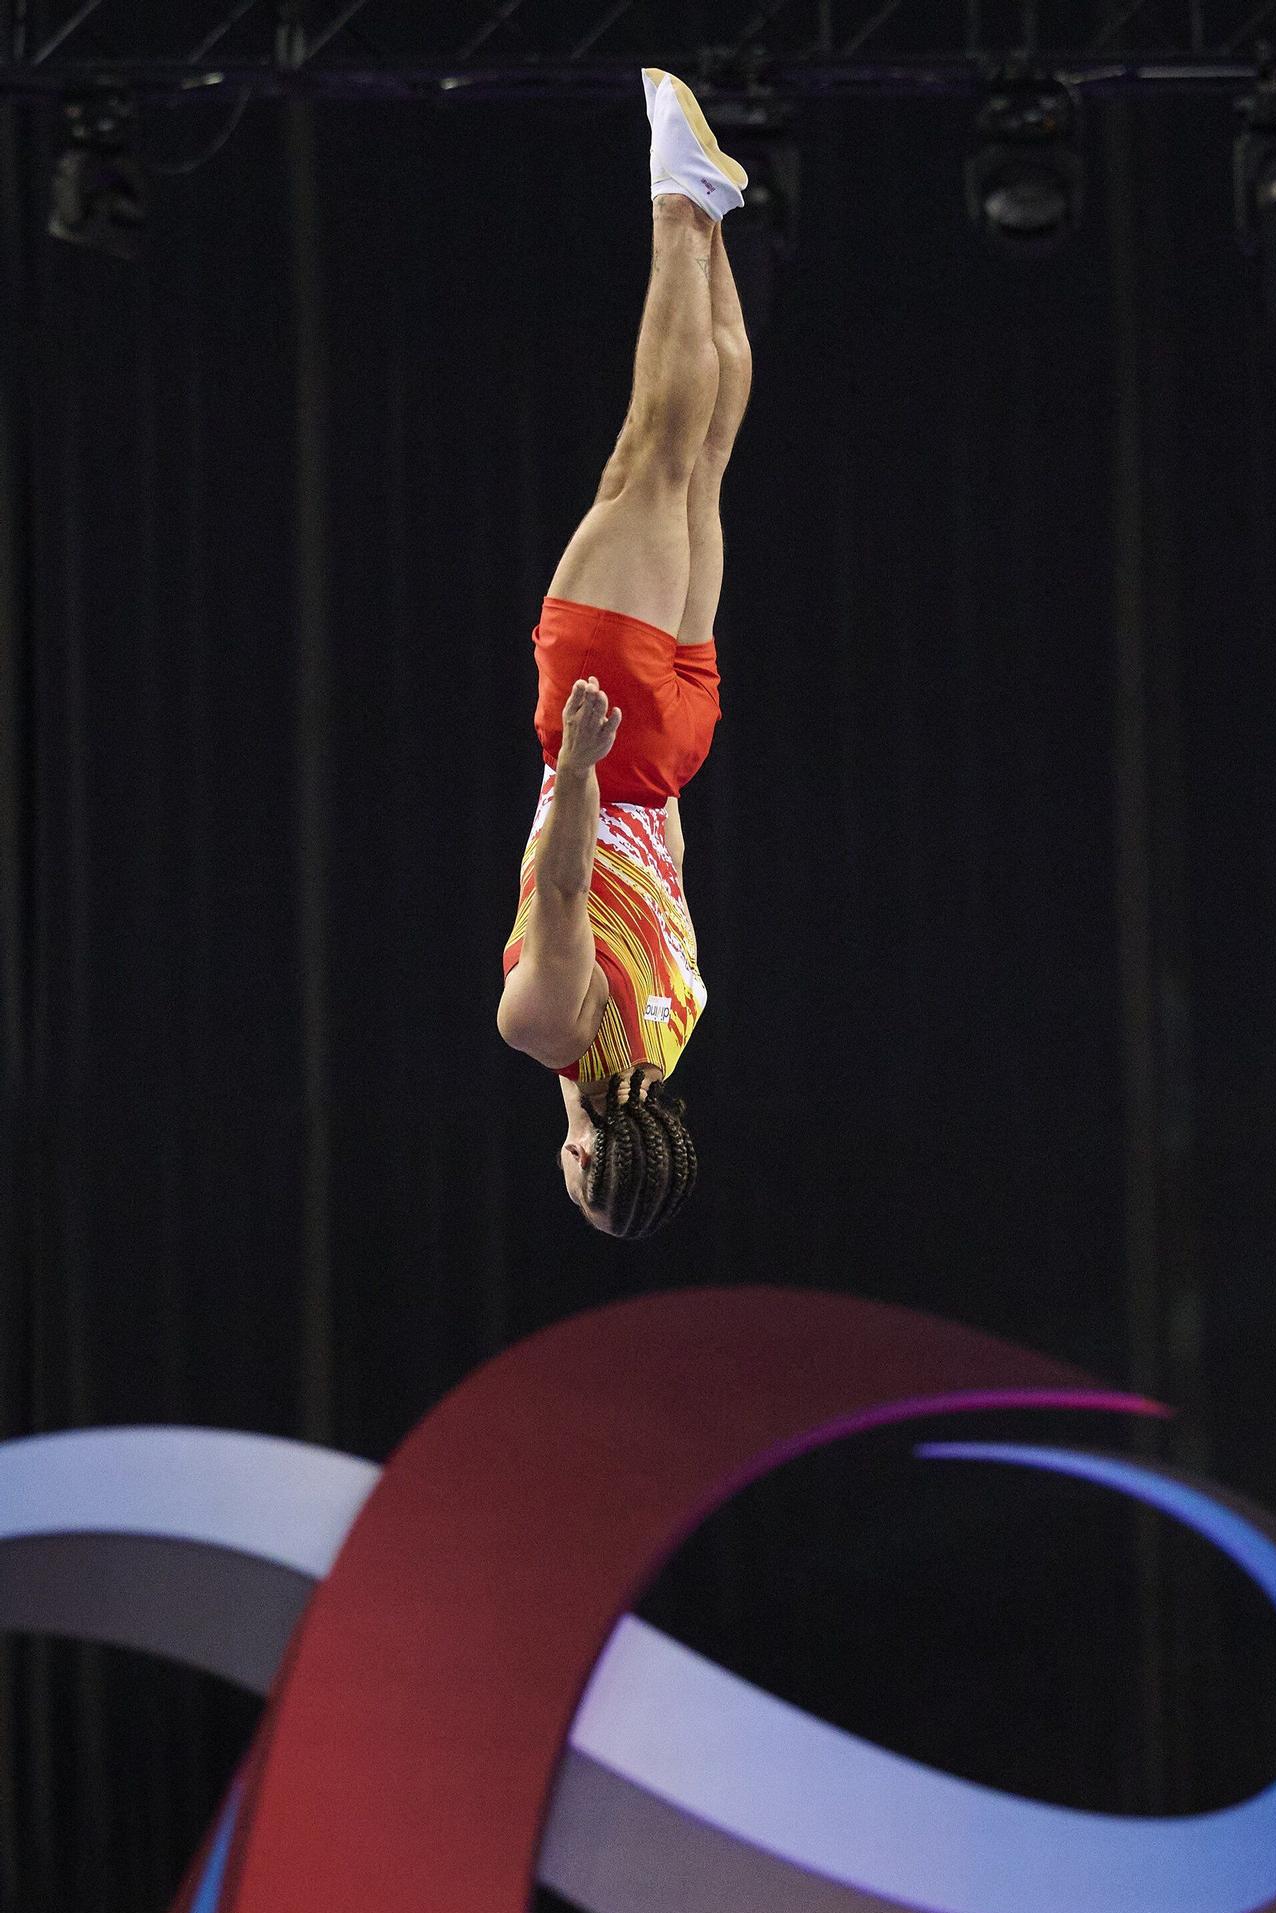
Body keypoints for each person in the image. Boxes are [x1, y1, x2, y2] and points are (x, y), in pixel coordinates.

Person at [498, 69, 753, 1238]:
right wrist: (588, 755)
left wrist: (644, 757)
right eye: (581, 1185)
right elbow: (558, 883)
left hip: (679, 744)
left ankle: (707, 216)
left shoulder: (674, 1022)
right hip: (613, 734)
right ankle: (674, 199)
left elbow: (672, 867)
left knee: (699, 463)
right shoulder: (549, 1029)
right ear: (587, 1153)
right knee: (648, 454)